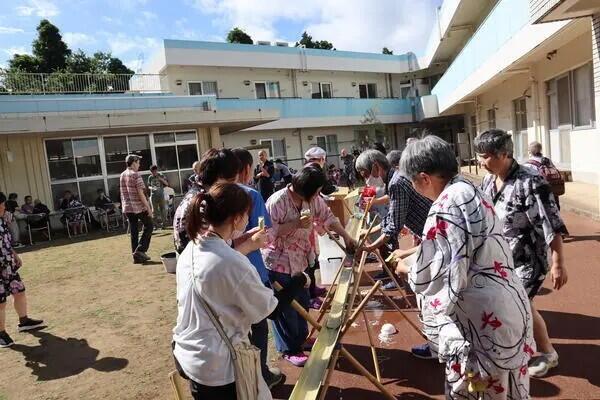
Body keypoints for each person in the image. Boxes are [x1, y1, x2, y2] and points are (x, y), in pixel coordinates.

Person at [392, 136, 534, 400]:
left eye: (413, 182)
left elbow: (440, 276)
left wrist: (407, 268)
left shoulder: (445, 207)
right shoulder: (470, 189)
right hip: (508, 305)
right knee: (511, 390)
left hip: (481, 322)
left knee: (480, 392)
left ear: (424, 178)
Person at [172, 183, 309, 400]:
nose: (248, 220)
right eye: (246, 214)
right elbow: (270, 310)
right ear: (236, 218)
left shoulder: (193, 247)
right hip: (218, 368)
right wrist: (301, 280)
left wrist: (247, 244)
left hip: (190, 355)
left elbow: (222, 259)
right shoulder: (233, 264)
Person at [475, 130, 568, 378]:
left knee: (516, 305)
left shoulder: (531, 182)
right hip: (500, 258)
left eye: (485, 156)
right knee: (523, 306)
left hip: (528, 260)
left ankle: (543, 353)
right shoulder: (488, 180)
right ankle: (534, 351)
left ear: (504, 154)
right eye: (480, 156)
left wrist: (558, 262)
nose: (481, 162)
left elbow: (552, 223)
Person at [262, 165, 357, 367]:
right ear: (306, 188)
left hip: (301, 260)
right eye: (317, 190)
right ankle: (288, 349)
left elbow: (328, 217)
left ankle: (302, 339)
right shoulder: (277, 201)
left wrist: (346, 235)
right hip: (278, 262)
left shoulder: (312, 201)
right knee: (286, 307)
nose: (318, 194)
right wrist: (296, 223)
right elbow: (268, 234)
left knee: (302, 302)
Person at [232, 148, 283, 388]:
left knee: (234, 328)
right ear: (245, 169)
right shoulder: (250, 195)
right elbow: (266, 235)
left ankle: (243, 375)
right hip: (250, 269)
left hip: (223, 272)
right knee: (259, 324)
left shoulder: (209, 195)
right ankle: (260, 374)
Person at [355, 149, 432, 290]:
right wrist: (371, 230)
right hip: (427, 228)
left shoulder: (396, 183)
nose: (366, 180)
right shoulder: (396, 178)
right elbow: (392, 215)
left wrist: (371, 247)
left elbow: (394, 225)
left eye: (366, 174)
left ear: (376, 166)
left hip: (429, 229)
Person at [173, 149, 240, 254]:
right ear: (220, 178)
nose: (235, 186)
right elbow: (214, 254)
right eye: (232, 181)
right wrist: (249, 245)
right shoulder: (206, 201)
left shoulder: (196, 193)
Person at [0, 192, 44, 348]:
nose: (4, 207)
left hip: (8, 265)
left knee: (19, 291)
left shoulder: (2, 221)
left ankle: (24, 321)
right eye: (3, 204)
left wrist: (14, 255)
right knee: (1, 302)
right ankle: (1, 334)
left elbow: (5, 241)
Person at [120, 154, 153, 264]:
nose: (139, 165)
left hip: (127, 208)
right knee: (149, 225)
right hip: (138, 207)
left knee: (134, 232)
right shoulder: (136, 175)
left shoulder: (122, 175)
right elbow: (141, 194)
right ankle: (140, 250)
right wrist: (148, 208)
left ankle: (136, 257)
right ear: (133, 162)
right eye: (138, 162)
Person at [526, 141, 565, 210]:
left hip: (540, 195)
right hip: (552, 191)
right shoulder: (547, 160)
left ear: (530, 151)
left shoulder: (529, 164)